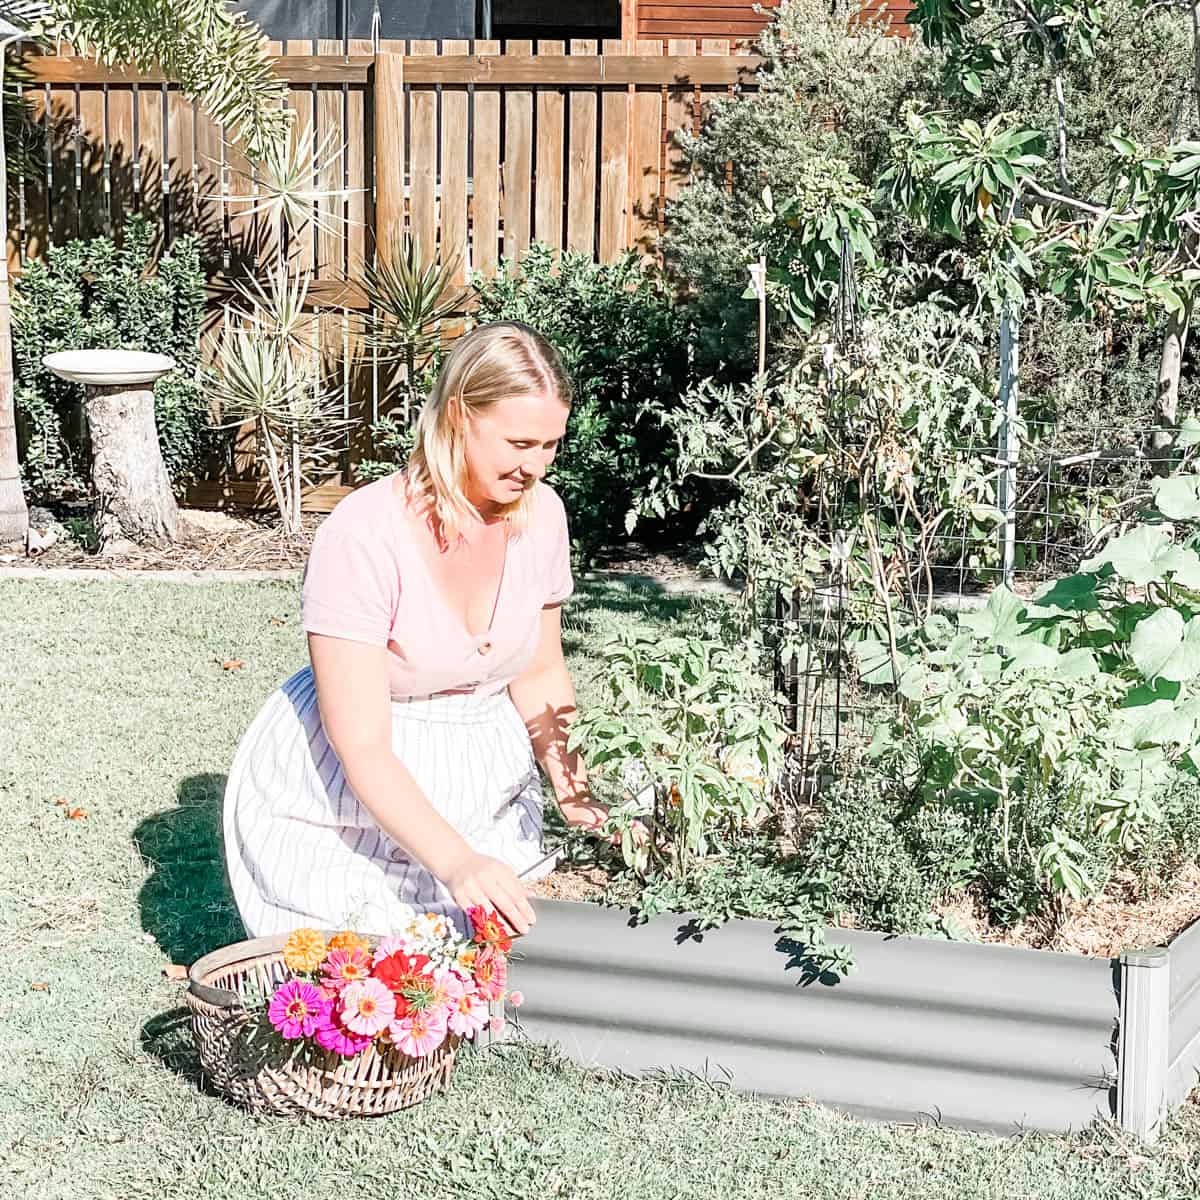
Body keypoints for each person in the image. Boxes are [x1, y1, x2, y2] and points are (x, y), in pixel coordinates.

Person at [222, 321, 615, 941]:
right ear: (459, 415)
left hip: (482, 772)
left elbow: (540, 668)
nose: (536, 466)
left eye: (550, 446)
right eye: (519, 443)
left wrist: (574, 792)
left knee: (498, 946)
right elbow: (361, 744)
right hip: (352, 794)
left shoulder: (543, 517)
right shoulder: (364, 533)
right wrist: (456, 860)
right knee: (384, 965)